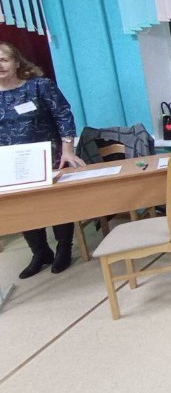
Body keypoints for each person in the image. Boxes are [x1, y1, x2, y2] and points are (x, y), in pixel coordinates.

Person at [0, 42, 86, 278]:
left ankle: (63, 249)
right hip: (10, 164)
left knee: (55, 203)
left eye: (4, 59)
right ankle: (40, 253)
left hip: (48, 157)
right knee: (22, 207)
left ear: (17, 62)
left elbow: (63, 115)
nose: (0, 65)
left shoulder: (39, 86)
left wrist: (68, 150)